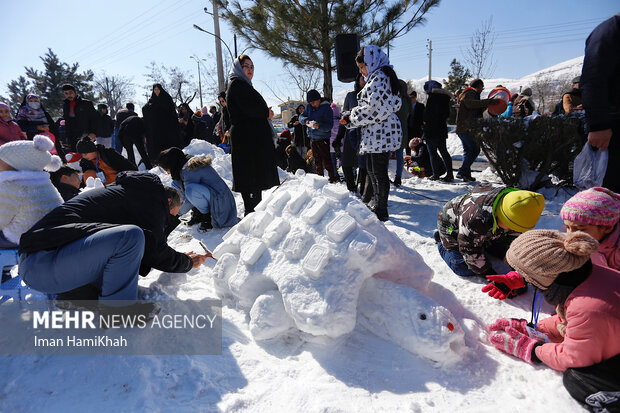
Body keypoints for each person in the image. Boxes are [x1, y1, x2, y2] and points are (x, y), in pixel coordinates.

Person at [18, 171, 208, 303]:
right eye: (173, 215)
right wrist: (186, 263)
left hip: (45, 264)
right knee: (131, 236)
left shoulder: (131, 195)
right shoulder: (150, 199)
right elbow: (154, 249)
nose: (170, 219)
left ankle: (83, 294)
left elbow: (146, 250)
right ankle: (119, 312)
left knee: (129, 240)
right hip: (43, 264)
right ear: (167, 201)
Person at [488, 229, 620, 412]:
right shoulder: (593, 276)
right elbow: (572, 320)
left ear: (543, 278)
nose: (526, 281)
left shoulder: (587, 308)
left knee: (578, 379)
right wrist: (538, 329)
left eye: (527, 278)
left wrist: (532, 349)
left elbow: (573, 357)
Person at [482, 186, 620, 301]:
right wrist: (519, 276)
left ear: (607, 227)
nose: (570, 234)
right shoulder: (579, 239)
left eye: (579, 229)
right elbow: (551, 258)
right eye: (567, 227)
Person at [341, 45, 402, 221]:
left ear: (372, 61)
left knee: (378, 172)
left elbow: (374, 109)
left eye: (362, 66)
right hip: (377, 134)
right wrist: (351, 117)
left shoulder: (380, 77)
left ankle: (381, 209)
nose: (362, 72)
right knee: (374, 171)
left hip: (381, 134)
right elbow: (371, 108)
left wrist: (351, 116)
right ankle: (378, 205)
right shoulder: (379, 77)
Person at [436, 185, 545, 277]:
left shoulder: (522, 207)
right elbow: (468, 250)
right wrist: (492, 277)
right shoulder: (475, 218)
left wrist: (522, 272)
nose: (513, 230)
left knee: (508, 253)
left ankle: (484, 242)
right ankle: (441, 242)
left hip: (486, 228)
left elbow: (517, 242)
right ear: (501, 214)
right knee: (463, 267)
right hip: (452, 227)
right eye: (510, 226)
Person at [225, 54, 280, 215]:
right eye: (246, 66)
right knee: (250, 179)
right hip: (246, 140)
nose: (249, 70)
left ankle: (255, 212)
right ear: (238, 68)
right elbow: (248, 109)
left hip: (251, 139)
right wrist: (265, 112)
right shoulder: (237, 85)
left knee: (255, 178)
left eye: (252, 67)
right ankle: (251, 214)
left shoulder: (245, 85)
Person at [0, 135, 63, 248]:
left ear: (16, 164)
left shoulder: (10, 185)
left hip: (23, 237)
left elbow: (1, 220)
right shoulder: (43, 182)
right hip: (51, 234)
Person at [581, 14, 620, 193]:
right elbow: (593, 78)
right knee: (610, 197)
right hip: (611, 132)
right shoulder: (610, 31)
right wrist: (598, 125)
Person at [157, 147, 238, 231]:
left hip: (222, 202)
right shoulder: (183, 164)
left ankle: (207, 218)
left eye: (166, 169)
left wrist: (175, 214)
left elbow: (189, 198)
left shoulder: (190, 170)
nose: (167, 172)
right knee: (176, 183)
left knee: (190, 190)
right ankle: (198, 212)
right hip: (214, 196)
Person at [455, 79, 501, 182]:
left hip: (463, 128)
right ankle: (462, 171)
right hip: (466, 128)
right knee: (475, 149)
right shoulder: (470, 93)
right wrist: (489, 101)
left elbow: (475, 109)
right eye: (482, 87)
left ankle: (466, 174)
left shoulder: (470, 94)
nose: (482, 89)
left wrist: (488, 104)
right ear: (478, 86)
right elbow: (470, 104)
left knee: (468, 151)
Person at [334, 73, 364, 193]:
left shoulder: (372, 94)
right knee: (346, 162)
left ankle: (364, 189)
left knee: (363, 164)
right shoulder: (351, 96)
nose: (364, 81)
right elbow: (344, 116)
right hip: (351, 132)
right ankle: (351, 188)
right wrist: (339, 136)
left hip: (366, 133)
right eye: (362, 78)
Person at [299, 90, 337, 182]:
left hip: (323, 139)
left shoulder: (326, 108)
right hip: (312, 138)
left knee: (327, 161)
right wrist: (306, 121)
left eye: (314, 102)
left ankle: (332, 180)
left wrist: (318, 126)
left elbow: (329, 126)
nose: (312, 105)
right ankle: (320, 181)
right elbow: (300, 117)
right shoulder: (308, 107)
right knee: (316, 162)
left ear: (319, 99)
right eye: (310, 103)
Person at [142, 84, 183, 161]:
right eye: (155, 90)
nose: (156, 91)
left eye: (158, 89)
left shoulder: (166, 99)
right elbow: (145, 109)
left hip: (167, 127)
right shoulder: (152, 101)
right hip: (157, 128)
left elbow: (171, 112)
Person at [423, 80, 454, 182]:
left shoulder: (432, 97)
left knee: (432, 153)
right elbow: (446, 114)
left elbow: (428, 114)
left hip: (431, 129)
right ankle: (450, 174)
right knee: (444, 151)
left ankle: (435, 174)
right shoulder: (445, 98)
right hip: (441, 128)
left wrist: (425, 123)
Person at [61, 84, 98, 151]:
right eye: (66, 93)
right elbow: (67, 122)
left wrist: (93, 132)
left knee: (87, 156)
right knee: (75, 158)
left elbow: (95, 119)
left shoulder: (86, 103)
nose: (69, 95)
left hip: (86, 135)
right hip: (72, 137)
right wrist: (68, 138)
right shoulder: (65, 106)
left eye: (70, 92)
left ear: (76, 92)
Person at [392, 79, 413, 187]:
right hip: (403, 128)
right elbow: (409, 115)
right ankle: (398, 177)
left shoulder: (394, 98)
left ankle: (383, 176)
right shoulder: (407, 100)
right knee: (400, 154)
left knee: (386, 153)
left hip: (391, 128)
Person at [329, 102, 342, 180]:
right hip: (340, 144)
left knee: (333, 160)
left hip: (331, 145)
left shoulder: (329, 122)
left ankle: (335, 174)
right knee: (341, 159)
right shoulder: (341, 122)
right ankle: (344, 173)